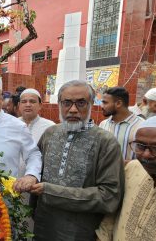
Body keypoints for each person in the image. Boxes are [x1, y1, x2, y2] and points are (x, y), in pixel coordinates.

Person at [23, 80, 124, 240]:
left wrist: (51, 191)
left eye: (81, 103)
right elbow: (37, 173)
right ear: (59, 104)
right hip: (43, 226)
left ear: (91, 104)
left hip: (80, 231)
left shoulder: (105, 142)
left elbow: (109, 197)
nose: (73, 110)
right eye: (67, 103)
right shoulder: (50, 134)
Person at [99, 87, 144, 162]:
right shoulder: (103, 124)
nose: (102, 106)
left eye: (105, 102)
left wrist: (125, 164)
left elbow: (146, 157)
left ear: (118, 103)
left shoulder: (141, 126)